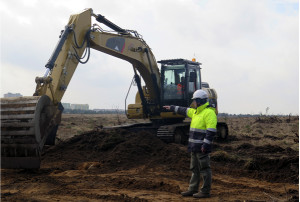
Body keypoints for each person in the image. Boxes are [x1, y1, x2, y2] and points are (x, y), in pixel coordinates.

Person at [163, 89, 217, 198]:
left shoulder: (209, 113)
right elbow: (184, 110)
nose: (193, 103)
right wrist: (172, 107)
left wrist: (205, 145)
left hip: (202, 148)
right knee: (194, 169)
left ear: (200, 101)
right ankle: (192, 189)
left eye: (195, 101)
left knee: (205, 170)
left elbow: (211, 131)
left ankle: (205, 192)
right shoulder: (196, 112)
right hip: (194, 147)